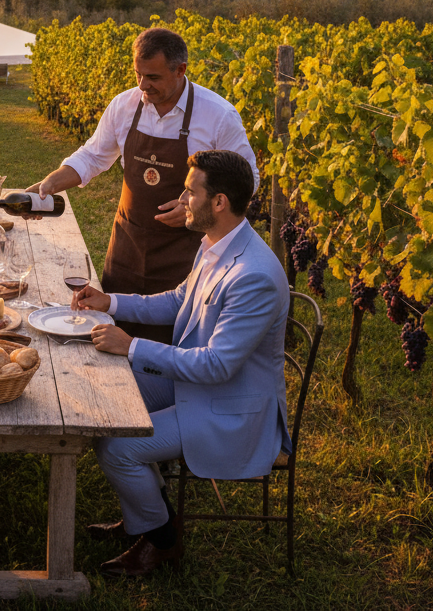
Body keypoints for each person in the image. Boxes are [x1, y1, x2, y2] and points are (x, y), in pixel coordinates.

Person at [68, 149, 289, 577]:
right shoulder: (218, 243)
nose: (182, 200)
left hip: (229, 407)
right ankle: (146, 512)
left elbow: (217, 366)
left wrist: (132, 346)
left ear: (219, 202)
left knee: (117, 445)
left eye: (190, 192)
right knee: (110, 394)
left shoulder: (254, 275)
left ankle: (162, 539)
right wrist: (110, 302)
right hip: (200, 388)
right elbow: (177, 301)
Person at [28, 26, 258, 342]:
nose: (142, 85)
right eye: (138, 74)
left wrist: (194, 204)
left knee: (169, 344)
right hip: (127, 246)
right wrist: (51, 182)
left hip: (183, 255)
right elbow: (93, 156)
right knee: (112, 338)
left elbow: (248, 179)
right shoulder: (124, 105)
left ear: (180, 70)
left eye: (153, 77)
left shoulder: (218, 115)